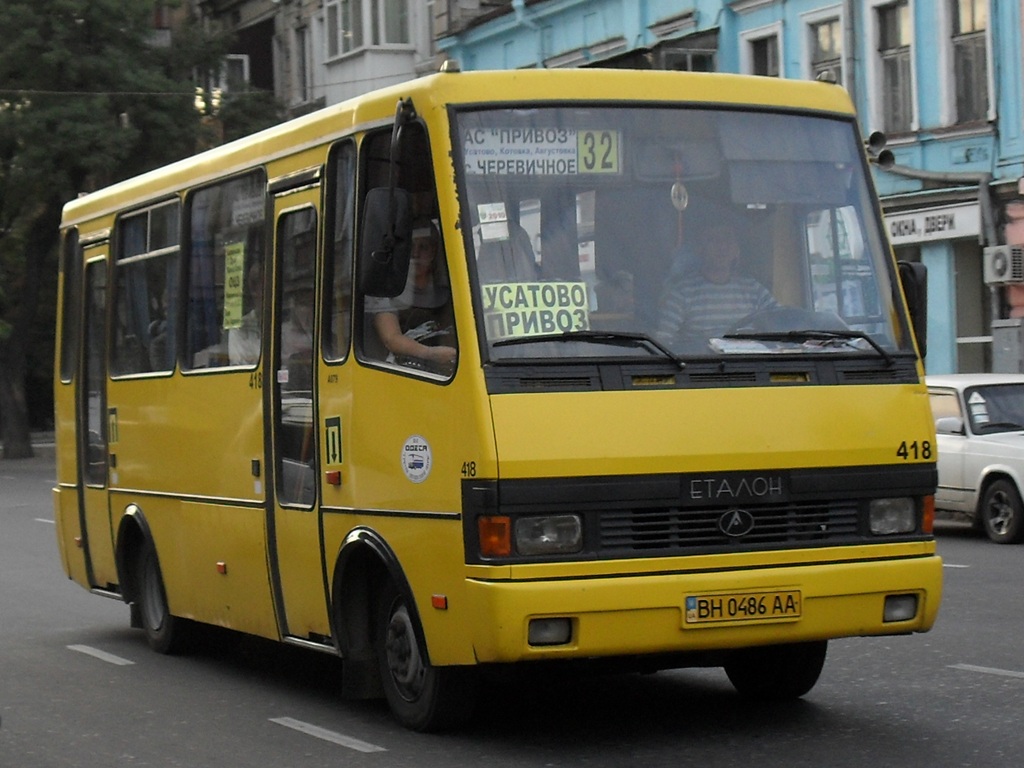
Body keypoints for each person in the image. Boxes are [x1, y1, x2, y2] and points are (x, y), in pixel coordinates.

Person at [656, 221, 776, 349]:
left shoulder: (754, 289)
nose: (722, 247)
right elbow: (664, 340)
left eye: (728, 239)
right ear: (700, 249)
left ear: (737, 249)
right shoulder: (682, 292)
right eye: (713, 240)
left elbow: (780, 320)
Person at [366, 219, 457, 370]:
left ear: (434, 252)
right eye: (410, 247)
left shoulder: (449, 290)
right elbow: (391, 339)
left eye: (423, 247)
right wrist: (430, 354)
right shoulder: (384, 289)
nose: (415, 254)